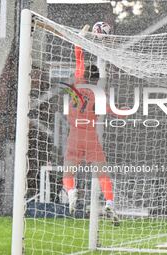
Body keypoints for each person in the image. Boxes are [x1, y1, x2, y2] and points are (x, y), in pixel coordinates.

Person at [63, 24, 121, 224]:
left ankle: (71, 192)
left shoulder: (79, 81)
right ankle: (110, 203)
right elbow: (117, 113)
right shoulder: (99, 94)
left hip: (74, 135)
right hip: (91, 137)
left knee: (68, 171)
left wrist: (82, 35)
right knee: (103, 173)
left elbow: (78, 54)